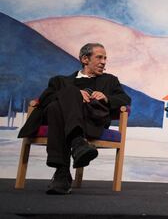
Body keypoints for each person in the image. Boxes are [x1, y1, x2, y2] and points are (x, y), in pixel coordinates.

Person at [18, 43, 131, 195]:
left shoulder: (110, 81)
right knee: (61, 99)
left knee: (56, 107)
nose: (104, 62)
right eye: (99, 57)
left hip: (91, 120)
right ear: (85, 59)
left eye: (105, 58)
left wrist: (106, 97)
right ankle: (77, 142)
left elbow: (125, 99)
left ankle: (62, 173)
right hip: (63, 120)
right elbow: (45, 98)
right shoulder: (60, 80)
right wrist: (75, 94)